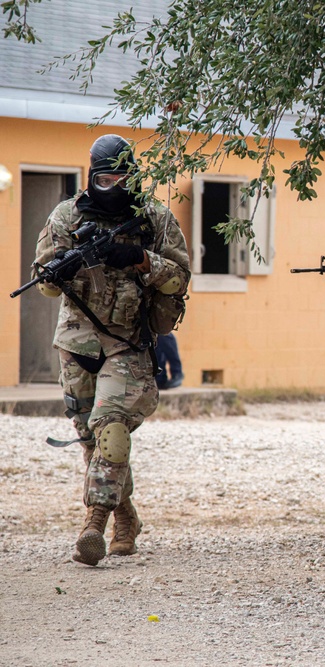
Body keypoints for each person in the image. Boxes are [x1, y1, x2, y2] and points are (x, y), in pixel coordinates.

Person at [33, 134, 191, 566]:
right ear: (92, 175)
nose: (114, 185)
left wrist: (142, 260)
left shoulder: (155, 218)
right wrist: (64, 268)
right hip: (77, 341)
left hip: (129, 341)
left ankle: (93, 524)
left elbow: (180, 280)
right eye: (105, 178)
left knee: (112, 428)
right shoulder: (66, 215)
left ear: (134, 175)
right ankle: (127, 518)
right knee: (91, 437)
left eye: (122, 176)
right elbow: (44, 284)